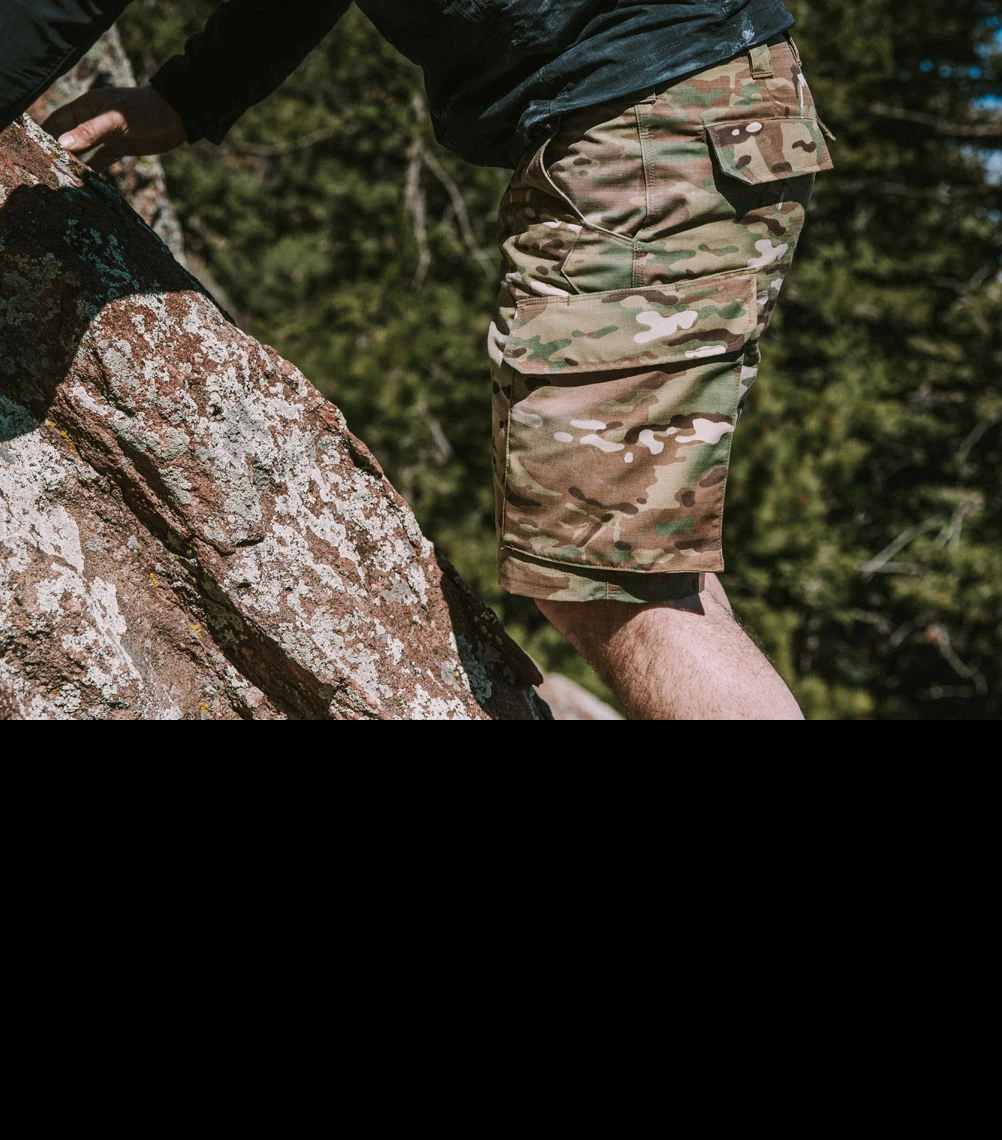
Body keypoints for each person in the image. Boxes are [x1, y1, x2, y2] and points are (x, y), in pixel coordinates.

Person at [4, 1, 834, 720]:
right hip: (665, 109)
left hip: (652, 119)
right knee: (633, 562)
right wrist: (191, 95)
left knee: (606, 582)